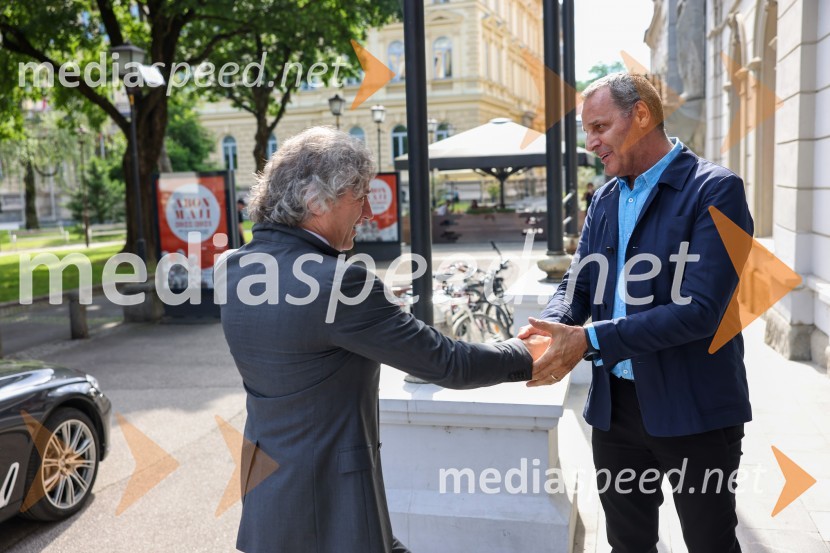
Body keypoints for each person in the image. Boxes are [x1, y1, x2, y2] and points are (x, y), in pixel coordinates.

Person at [220, 127, 549, 553]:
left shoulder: (232, 269)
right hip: (332, 506)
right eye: (360, 197)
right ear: (316, 201)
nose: (369, 213)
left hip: (268, 499)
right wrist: (528, 352)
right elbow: (448, 362)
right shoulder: (342, 284)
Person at [519, 73, 753, 553]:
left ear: (642, 115)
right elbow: (578, 282)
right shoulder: (605, 197)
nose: (591, 143)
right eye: (587, 131)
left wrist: (590, 340)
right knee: (627, 545)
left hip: (696, 408)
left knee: (711, 544)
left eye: (600, 127)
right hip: (615, 411)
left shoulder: (717, 190)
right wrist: (550, 327)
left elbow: (700, 311)